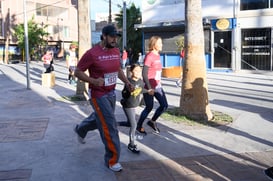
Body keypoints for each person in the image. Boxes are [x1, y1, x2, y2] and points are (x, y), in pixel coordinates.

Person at [73, 24, 133, 172]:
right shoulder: (92, 53)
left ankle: (81, 129)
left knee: (100, 119)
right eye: (112, 36)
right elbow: (77, 72)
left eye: (116, 37)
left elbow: (117, 69)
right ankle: (112, 160)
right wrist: (93, 81)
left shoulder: (116, 51)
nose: (114, 39)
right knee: (109, 124)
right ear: (104, 36)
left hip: (111, 93)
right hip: (98, 94)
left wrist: (127, 82)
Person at [136, 36, 168, 135]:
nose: (162, 45)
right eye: (160, 43)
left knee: (164, 105)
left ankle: (152, 121)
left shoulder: (157, 55)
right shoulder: (149, 56)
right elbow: (144, 74)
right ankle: (139, 126)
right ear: (154, 45)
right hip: (149, 86)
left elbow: (157, 71)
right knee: (149, 107)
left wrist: (159, 81)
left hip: (157, 85)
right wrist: (149, 88)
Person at [120, 64, 154, 154]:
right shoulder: (129, 82)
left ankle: (112, 124)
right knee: (134, 125)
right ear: (131, 72)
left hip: (133, 105)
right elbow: (123, 94)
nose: (138, 73)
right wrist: (128, 91)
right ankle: (131, 145)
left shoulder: (141, 82)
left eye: (140, 71)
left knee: (129, 123)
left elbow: (140, 90)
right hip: (128, 105)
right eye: (136, 71)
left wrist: (148, 91)